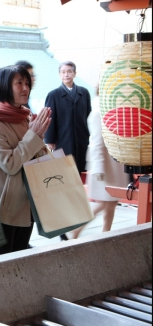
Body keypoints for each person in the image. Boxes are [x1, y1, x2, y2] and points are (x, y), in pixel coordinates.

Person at [0, 65, 51, 257]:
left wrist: (40, 141)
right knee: (0, 264)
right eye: (19, 83)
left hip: (29, 201)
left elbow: (36, 156)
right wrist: (34, 134)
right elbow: (10, 164)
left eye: (27, 83)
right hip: (5, 207)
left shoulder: (24, 117)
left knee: (20, 259)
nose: (25, 88)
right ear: (4, 86)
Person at [67, 95, 128, 239]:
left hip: (114, 165)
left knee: (111, 203)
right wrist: (99, 167)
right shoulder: (99, 112)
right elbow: (97, 142)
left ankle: (105, 233)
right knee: (105, 202)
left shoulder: (113, 109)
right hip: (105, 166)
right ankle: (77, 229)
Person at [44, 61, 91, 174]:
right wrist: (49, 140)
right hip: (62, 139)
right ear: (60, 75)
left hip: (81, 138)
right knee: (65, 172)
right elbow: (49, 118)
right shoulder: (53, 95)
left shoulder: (84, 93)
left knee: (80, 169)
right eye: (63, 72)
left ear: (75, 74)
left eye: (69, 72)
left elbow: (88, 114)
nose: (66, 75)